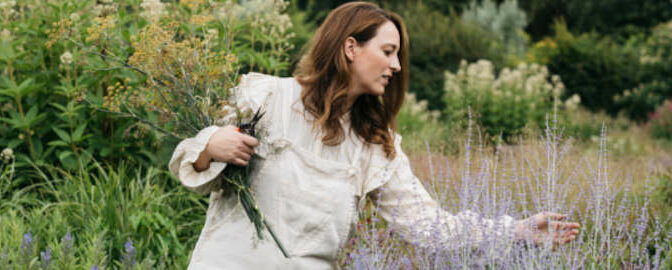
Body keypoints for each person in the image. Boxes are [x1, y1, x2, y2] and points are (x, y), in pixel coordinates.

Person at [169, 2, 580, 269]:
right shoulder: (268, 98)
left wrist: (515, 231)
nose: (397, 65)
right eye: (387, 51)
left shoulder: (374, 147)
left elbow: (429, 226)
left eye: (397, 54)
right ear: (350, 47)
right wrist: (210, 145)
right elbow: (188, 159)